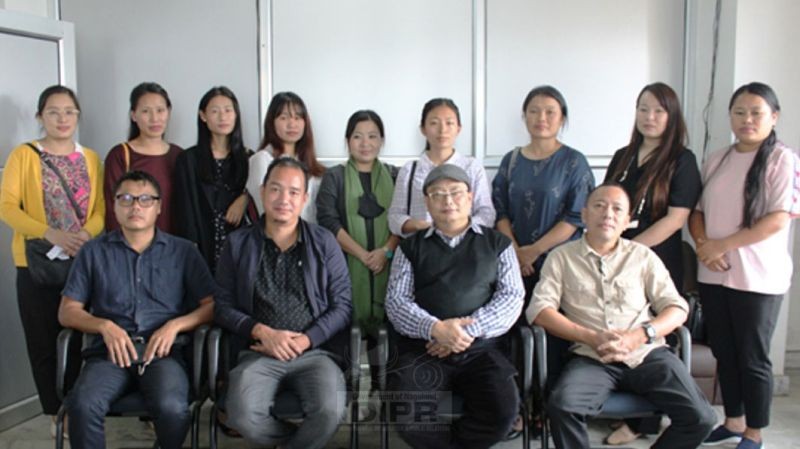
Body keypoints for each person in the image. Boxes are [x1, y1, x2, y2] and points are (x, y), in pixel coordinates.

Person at [528, 183, 716, 449]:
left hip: (647, 354)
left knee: (701, 418)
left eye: (617, 209)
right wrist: (591, 337)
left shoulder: (642, 257)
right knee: (563, 407)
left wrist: (640, 335)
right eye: (599, 206)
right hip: (592, 357)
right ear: (584, 215)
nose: (608, 214)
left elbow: (677, 308)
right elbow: (539, 311)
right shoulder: (561, 257)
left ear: (627, 221)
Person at [58, 170, 216, 449]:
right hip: (108, 355)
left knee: (173, 409)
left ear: (158, 207)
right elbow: (68, 310)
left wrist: (175, 325)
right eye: (127, 199)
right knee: (83, 406)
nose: (136, 207)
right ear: (114, 205)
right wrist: (103, 326)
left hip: (163, 355)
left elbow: (212, 306)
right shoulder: (93, 252)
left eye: (145, 199)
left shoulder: (183, 251)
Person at [215, 157, 352, 449]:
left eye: (293, 192)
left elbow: (342, 306)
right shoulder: (238, 244)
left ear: (304, 199)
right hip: (258, 352)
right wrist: (262, 332)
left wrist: (306, 340)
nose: (283, 199)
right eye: (276, 189)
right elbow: (223, 306)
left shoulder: (324, 242)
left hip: (315, 353)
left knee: (330, 411)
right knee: (240, 415)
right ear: (263, 191)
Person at [385, 164, 525, 449]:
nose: (447, 201)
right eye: (438, 194)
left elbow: (512, 297)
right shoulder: (409, 248)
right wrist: (435, 329)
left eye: (455, 193)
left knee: (503, 411)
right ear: (427, 202)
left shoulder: (498, 243)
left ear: (470, 196)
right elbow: (397, 302)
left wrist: (461, 334)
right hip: (423, 350)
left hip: (482, 351)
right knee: (409, 416)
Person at [689, 82, 797, 449]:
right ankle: (733, 422)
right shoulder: (716, 158)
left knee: (753, 357)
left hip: (758, 277)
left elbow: (778, 219)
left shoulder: (782, 159)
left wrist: (722, 245)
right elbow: (697, 213)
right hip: (714, 272)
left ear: (774, 117)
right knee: (724, 351)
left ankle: (755, 432)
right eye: (739, 112)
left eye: (756, 112)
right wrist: (705, 247)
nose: (747, 119)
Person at [0, 85, 105, 433]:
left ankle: (82, 405)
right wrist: (50, 233)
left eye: (69, 112)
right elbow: (6, 206)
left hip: (81, 260)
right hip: (36, 262)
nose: (62, 119)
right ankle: (54, 412)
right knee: (43, 340)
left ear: (78, 116)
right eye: (54, 112)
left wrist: (84, 235)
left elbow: (102, 211)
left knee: (81, 336)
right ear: (40, 116)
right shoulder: (24, 155)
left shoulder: (90, 158)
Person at [602, 82, 702, 445]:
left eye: (658, 110)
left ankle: (646, 421)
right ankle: (625, 406)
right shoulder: (622, 156)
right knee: (619, 325)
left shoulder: (682, 159)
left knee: (654, 337)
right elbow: (607, 204)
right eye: (643, 108)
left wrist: (630, 251)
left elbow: (676, 219)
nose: (649, 117)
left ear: (672, 115)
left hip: (655, 259)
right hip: (615, 258)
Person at [316, 110, 399, 397]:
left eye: (373, 136)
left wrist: (386, 252)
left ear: (382, 141)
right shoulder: (335, 177)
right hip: (344, 268)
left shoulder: (395, 175)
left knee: (388, 337)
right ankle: (347, 395)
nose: (365, 143)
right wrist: (363, 254)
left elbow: (403, 219)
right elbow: (327, 220)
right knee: (346, 334)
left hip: (389, 268)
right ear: (347, 140)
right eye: (358, 136)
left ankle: (383, 391)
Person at [491, 85, 594, 315]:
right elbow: (500, 210)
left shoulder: (574, 162)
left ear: (562, 118)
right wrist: (515, 253)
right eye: (534, 111)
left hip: (560, 261)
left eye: (550, 112)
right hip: (514, 263)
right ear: (524, 116)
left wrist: (534, 251)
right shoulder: (512, 160)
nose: (541, 118)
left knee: (557, 329)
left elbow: (577, 216)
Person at [173, 86, 257, 273]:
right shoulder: (188, 159)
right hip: (201, 248)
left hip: (239, 249)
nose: (223, 117)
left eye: (228, 110)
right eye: (215, 111)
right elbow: (184, 210)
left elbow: (259, 198)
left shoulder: (249, 158)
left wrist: (244, 198)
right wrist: (190, 249)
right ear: (203, 116)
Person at [388, 98, 495, 237]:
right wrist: (419, 226)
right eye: (434, 123)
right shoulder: (410, 170)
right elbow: (395, 216)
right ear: (423, 129)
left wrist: (458, 229)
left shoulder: (472, 167)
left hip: (466, 249)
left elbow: (487, 213)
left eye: (449, 123)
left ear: (458, 129)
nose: (442, 130)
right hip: (421, 249)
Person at [103, 82, 182, 233]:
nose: (155, 118)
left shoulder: (179, 156)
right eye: (146, 111)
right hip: (131, 246)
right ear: (134, 115)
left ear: (169, 112)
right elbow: (112, 209)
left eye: (160, 110)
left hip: (172, 246)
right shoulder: (120, 155)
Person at [246, 91, 325, 222]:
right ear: (272, 123)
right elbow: (266, 211)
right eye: (284, 117)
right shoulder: (262, 160)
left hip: (311, 239)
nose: (292, 124)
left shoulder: (314, 168)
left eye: (298, 118)